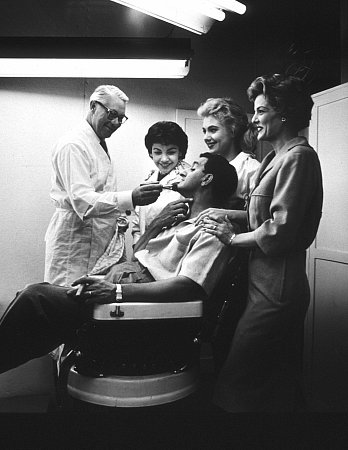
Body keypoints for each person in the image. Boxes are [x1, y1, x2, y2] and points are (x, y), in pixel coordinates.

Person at [0, 153, 238, 413]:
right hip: (128, 291)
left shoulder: (212, 230)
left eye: (195, 167)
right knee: (35, 314)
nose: (184, 170)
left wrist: (114, 290)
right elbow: (140, 256)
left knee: (35, 297)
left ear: (207, 179)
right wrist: (155, 226)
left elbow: (189, 287)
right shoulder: (178, 219)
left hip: (143, 317)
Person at [196, 73, 323, 412]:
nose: (254, 119)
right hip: (261, 283)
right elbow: (259, 214)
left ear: (283, 114)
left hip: (278, 288)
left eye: (261, 110)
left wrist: (231, 237)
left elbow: (279, 230)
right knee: (270, 380)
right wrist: (223, 213)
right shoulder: (274, 158)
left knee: (237, 378)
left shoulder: (299, 157)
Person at [44, 85, 162, 287]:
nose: (116, 122)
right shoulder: (74, 145)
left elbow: (101, 193)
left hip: (95, 243)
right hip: (75, 246)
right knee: (66, 303)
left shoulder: (97, 143)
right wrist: (131, 198)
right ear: (93, 106)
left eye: (121, 118)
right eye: (112, 114)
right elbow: (83, 202)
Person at [131, 121, 191, 245]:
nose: (164, 159)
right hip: (143, 251)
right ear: (150, 153)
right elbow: (138, 224)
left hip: (170, 253)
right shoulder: (149, 179)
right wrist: (137, 245)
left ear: (180, 152)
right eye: (158, 152)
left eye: (171, 152)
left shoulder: (189, 180)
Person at [197, 97, 260, 210]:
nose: (206, 137)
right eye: (204, 131)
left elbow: (260, 216)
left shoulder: (251, 169)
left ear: (233, 130)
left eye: (213, 130)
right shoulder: (207, 166)